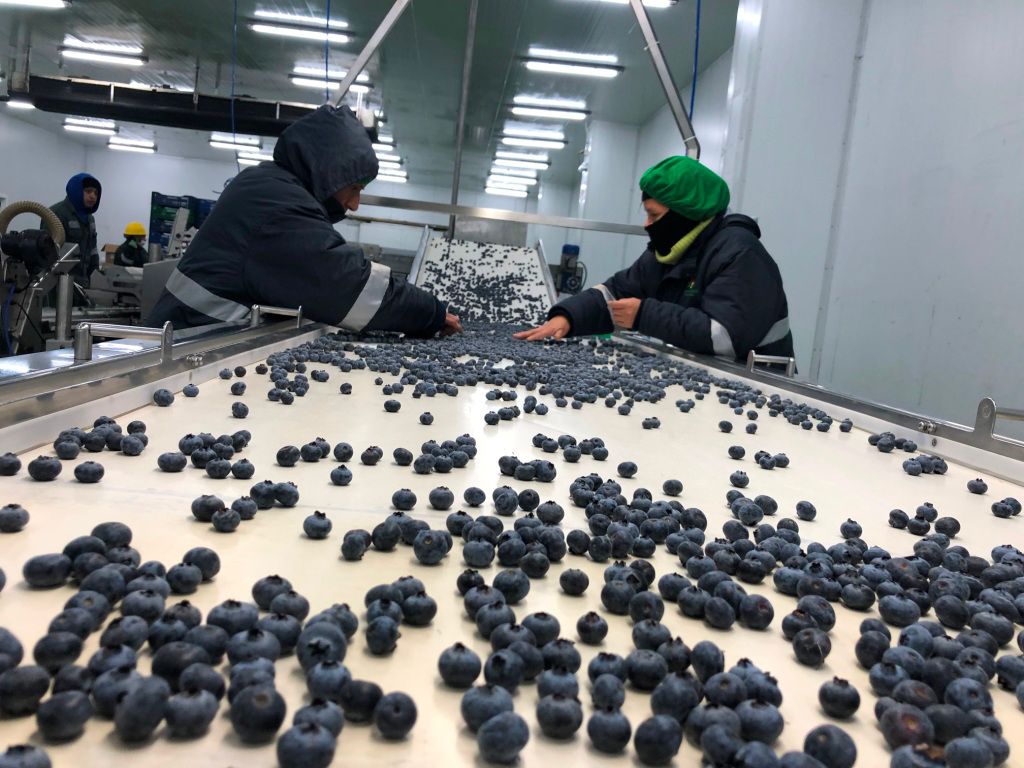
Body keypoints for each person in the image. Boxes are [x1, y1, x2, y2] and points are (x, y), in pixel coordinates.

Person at [148, 105, 460, 337]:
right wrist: (431, 313)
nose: (354, 205)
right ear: (329, 173)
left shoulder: (270, 186)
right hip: (185, 346)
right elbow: (347, 286)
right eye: (354, 189)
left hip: (200, 336)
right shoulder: (275, 203)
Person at [515, 156, 794, 363]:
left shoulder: (740, 253)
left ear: (684, 215)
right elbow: (616, 291)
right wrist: (568, 317)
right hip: (701, 371)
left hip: (758, 385)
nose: (647, 225)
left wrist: (644, 315)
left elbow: (724, 338)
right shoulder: (671, 250)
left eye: (655, 216)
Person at [47, 173, 101, 285]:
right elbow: (47, 254)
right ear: (76, 190)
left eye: (96, 193)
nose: (93, 196)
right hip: (60, 284)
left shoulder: (90, 219)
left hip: (83, 283)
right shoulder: (56, 213)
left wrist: (96, 278)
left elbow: (93, 251)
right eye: (88, 191)